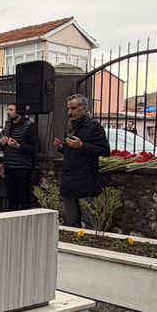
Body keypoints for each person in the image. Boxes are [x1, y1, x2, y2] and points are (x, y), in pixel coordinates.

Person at [53, 94, 110, 227]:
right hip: (69, 178)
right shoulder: (70, 125)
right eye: (68, 109)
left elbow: (104, 150)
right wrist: (62, 147)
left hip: (86, 178)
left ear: (84, 109)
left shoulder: (94, 127)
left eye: (74, 108)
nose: (70, 112)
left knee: (88, 220)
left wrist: (82, 145)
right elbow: (71, 150)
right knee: (70, 220)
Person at [0, 103, 39, 211]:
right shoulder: (7, 125)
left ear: (19, 111)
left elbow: (36, 148)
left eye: (11, 109)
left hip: (23, 167)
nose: (8, 112)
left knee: (24, 198)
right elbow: (4, 147)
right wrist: (2, 143)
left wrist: (19, 146)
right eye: (7, 109)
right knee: (11, 199)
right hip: (8, 166)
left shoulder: (29, 126)